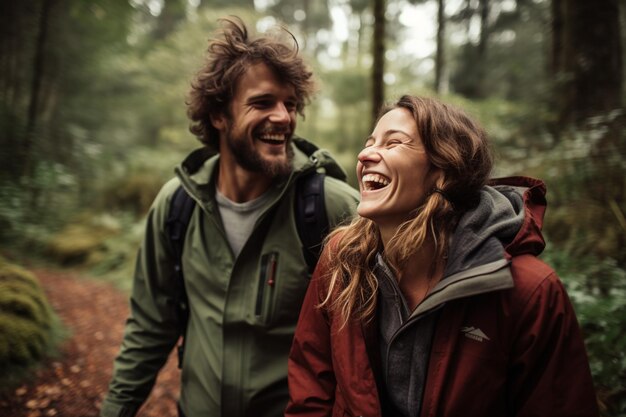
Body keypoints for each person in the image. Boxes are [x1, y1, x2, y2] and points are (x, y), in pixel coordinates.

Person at [100, 17, 359, 417]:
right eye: (262, 103)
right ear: (219, 115)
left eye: (290, 105)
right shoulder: (177, 206)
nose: (284, 117)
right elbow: (151, 326)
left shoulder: (331, 208)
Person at [286, 95, 599, 417]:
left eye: (393, 144)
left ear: (443, 171)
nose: (365, 154)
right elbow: (311, 387)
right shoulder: (341, 261)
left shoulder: (529, 291)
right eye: (369, 143)